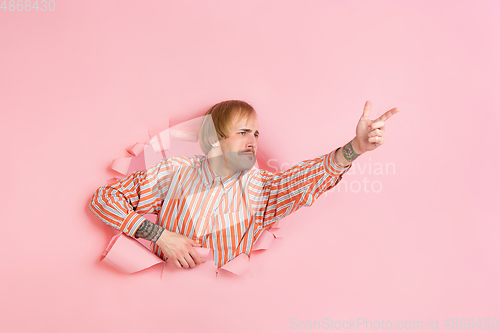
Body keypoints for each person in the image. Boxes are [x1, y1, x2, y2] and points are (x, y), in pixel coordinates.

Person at [89, 100, 399, 269]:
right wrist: (159, 235)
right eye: (243, 132)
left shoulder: (262, 189)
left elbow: (305, 180)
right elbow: (104, 198)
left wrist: (354, 149)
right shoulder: (174, 172)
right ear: (214, 138)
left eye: (256, 135)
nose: (252, 142)